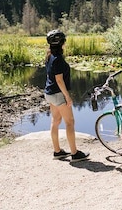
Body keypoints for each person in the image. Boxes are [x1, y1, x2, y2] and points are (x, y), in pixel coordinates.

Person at [44, 30, 90, 162]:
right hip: (58, 95)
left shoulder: (49, 55)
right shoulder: (58, 59)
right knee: (70, 123)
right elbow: (59, 80)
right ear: (61, 43)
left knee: (55, 121)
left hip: (49, 93)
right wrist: (67, 97)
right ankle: (75, 153)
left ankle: (57, 151)